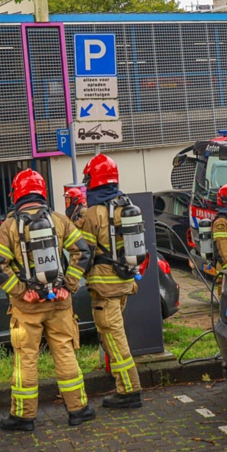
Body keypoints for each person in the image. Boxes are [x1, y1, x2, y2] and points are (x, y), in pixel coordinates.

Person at [0, 169, 94, 431]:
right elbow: (82, 251)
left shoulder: (10, 226)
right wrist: (68, 286)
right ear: (42, 192)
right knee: (65, 352)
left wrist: (21, 291)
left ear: (17, 194)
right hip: (59, 302)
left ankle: (23, 418)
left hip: (28, 308)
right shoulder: (59, 220)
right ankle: (78, 410)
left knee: (26, 358)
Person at [74, 155, 145, 409]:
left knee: (115, 340)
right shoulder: (125, 204)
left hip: (104, 289)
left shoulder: (94, 213)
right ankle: (122, 384)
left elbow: (85, 253)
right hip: (125, 282)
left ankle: (129, 391)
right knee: (112, 337)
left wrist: (72, 280)